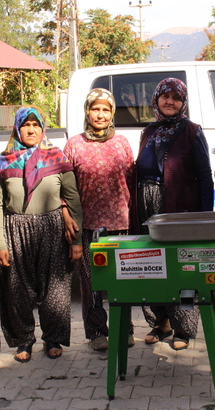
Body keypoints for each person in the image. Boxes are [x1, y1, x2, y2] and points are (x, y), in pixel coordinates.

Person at [0, 106, 83, 363]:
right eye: (25, 125)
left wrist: (76, 240)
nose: (31, 130)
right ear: (17, 129)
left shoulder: (56, 157)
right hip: (15, 228)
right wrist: (0, 242)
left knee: (54, 288)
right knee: (18, 289)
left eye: (36, 125)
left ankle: (53, 339)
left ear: (43, 128)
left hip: (52, 227)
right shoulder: (4, 159)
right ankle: (24, 340)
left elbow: (73, 199)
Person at [135, 77, 214, 351]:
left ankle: (184, 327)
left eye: (176, 97)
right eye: (164, 96)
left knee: (182, 267)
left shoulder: (192, 131)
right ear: (155, 99)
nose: (170, 101)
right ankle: (161, 322)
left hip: (179, 209)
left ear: (183, 102)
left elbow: (205, 176)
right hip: (148, 207)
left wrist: (205, 218)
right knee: (153, 265)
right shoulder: (149, 131)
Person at [63, 88, 136, 351]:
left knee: (122, 280)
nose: (100, 114)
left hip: (120, 224)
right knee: (91, 282)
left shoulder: (122, 143)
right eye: (95, 109)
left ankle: (125, 329)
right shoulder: (74, 145)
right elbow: (66, 187)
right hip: (88, 225)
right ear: (87, 111)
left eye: (106, 109)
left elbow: (130, 181)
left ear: (112, 112)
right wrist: (68, 218)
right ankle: (96, 333)